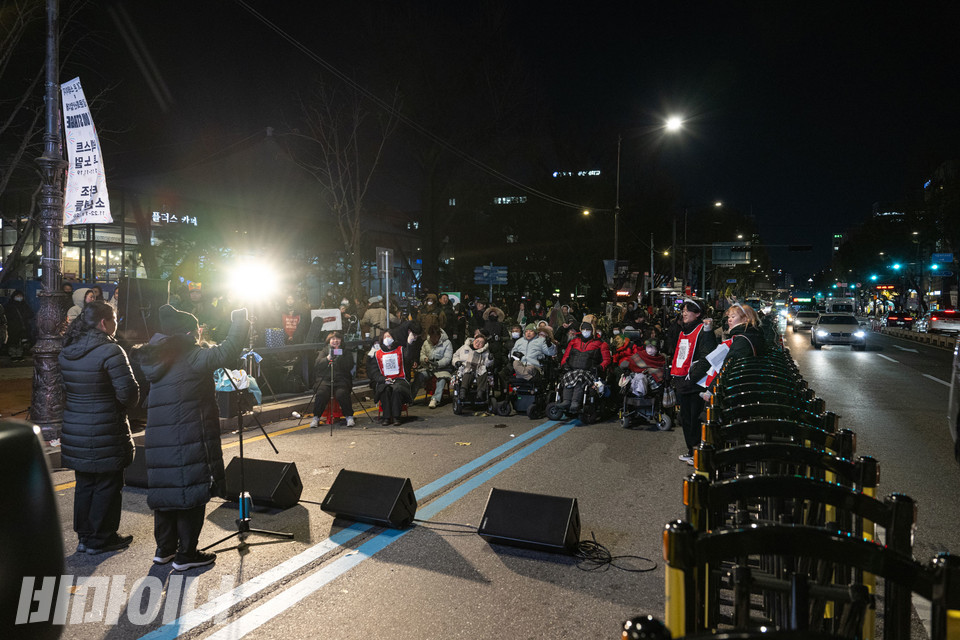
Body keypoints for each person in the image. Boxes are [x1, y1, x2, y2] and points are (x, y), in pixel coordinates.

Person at [136, 303, 249, 570]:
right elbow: (228, 351)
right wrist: (240, 321)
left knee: (166, 493)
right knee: (191, 493)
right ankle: (186, 554)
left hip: (160, 438)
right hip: (189, 434)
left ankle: (164, 550)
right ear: (189, 332)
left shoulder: (157, 357)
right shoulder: (192, 356)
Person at [59, 300, 140, 555]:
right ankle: (102, 538)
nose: (117, 324)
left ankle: (85, 536)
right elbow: (128, 393)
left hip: (75, 427)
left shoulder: (68, 349)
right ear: (104, 322)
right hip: (106, 427)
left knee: (85, 483)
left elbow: (65, 390)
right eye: (115, 319)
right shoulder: (110, 350)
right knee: (108, 482)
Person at [669, 299, 718, 465]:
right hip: (683, 381)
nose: (684, 313)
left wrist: (692, 378)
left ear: (697, 314)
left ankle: (698, 452)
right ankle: (691, 450)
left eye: (688, 310)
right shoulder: (684, 330)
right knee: (686, 418)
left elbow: (707, 358)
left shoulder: (704, 330)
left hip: (694, 383)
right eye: (683, 310)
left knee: (695, 419)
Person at [559, 321, 611, 412]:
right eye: (584, 329)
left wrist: (599, 367)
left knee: (580, 377)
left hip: (589, 372)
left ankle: (575, 402)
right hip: (573, 369)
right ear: (581, 330)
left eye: (588, 330)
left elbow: (607, 360)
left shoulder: (601, 344)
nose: (585, 331)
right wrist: (564, 365)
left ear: (592, 331)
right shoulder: (573, 342)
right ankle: (566, 401)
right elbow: (565, 356)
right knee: (567, 376)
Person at [367, 329, 413, 425]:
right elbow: (374, 372)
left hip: (400, 379)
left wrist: (409, 343)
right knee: (385, 389)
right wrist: (384, 379)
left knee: (396, 389)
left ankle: (396, 417)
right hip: (385, 380)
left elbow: (409, 359)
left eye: (389, 336)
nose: (387, 339)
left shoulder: (400, 350)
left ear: (393, 338)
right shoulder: (377, 354)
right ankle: (386, 417)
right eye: (385, 337)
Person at [310, 331, 356, 427]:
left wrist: (339, 358)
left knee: (342, 394)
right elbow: (317, 364)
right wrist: (327, 358)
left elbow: (349, 366)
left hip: (341, 380)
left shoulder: (346, 351)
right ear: (329, 341)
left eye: (337, 339)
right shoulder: (324, 351)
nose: (335, 341)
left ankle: (349, 417)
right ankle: (316, 417)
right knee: (321, 393)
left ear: (341, 340)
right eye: (333, 339)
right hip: (325, 380)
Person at [413, 325, 454, 408]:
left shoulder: (447, 343)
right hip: (429, 368)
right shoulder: (426, 343)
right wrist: (424, 359)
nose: (434, 339)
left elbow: (447, 358)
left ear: (439, 335)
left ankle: (435, 399)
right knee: (419, 376)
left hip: (443, 368)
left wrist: (438, 363)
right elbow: (422, 354)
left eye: (436, 337)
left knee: (442, 379)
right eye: (432, 337)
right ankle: (410, 398)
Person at [453, 331, 494, 399]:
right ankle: (463, 391)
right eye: (477, 341)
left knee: (483, 372)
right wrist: (456, 362)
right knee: (468, 372)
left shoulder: (485, 351)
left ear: (483, 345)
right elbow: (455, 356)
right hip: (466, 367)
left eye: (481, 343)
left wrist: (490, 359)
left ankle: (480, 393)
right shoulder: (464, 348)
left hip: (479, 368)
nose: (478, 344)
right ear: (474, 340)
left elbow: (488, 363)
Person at [4, 289, 33, 362]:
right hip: (13, 327)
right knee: (13, 342)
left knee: (21, 341)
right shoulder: (9, 306)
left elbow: (31, 314)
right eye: (17, 296)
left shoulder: (25, 305)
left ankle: (19, 355)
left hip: (22, 327)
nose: (19, 297)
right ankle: (13, 355)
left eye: (20, 296)